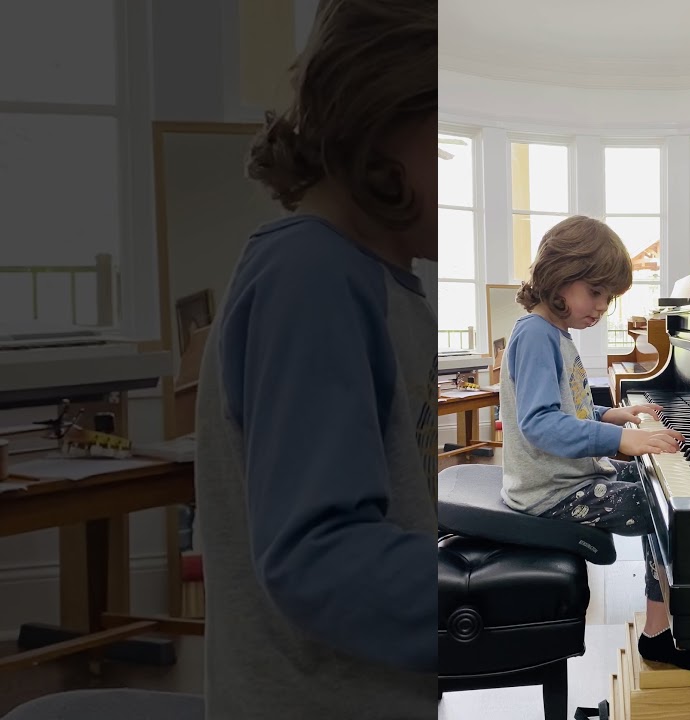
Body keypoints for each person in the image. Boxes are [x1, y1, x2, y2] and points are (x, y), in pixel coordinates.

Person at [193, 1, 438, 718]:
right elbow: (319, 558)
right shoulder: (313, 274)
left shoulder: (376, 278)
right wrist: (480, 594)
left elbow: (390, 503)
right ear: (380, 113)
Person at [500, 215, 690, 672]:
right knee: (665, 506)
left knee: (652, 482)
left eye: (609, 298)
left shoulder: (553, 334)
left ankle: (663, 623)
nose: (602, 307)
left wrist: (611, 415)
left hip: (565, 479)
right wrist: (625, 438)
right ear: (560, 278)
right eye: (596, 293)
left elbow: (569, 414)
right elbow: (541, 425)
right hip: (549, 493)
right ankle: (660, 634)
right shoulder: (536, 336)